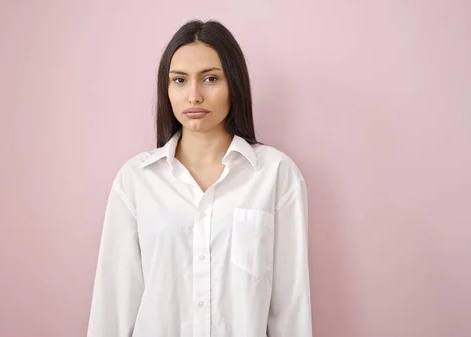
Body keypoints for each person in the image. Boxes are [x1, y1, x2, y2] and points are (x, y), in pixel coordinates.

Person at [86, 19, 312, 337]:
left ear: (234, 84)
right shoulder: (135, 181)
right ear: (166, 90)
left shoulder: (276, 175)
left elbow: (290, 306)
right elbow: (113, 303)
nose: (194, 95)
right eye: (179, 80)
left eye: (210, 78)